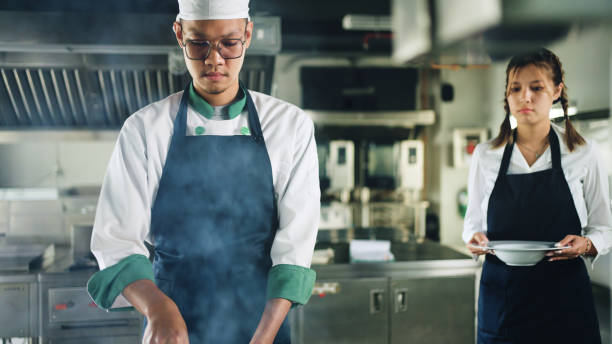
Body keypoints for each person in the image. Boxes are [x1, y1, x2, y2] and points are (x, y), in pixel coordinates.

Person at [86, 0, 320, 343]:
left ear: (248, 34)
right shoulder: (145, 129)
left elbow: (295, 247)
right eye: (199, 44)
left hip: (262, 322)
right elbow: (117, 242)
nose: (214, 59)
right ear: (180, 34)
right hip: (170, 321)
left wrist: (263, 336)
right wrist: (157, 309)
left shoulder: (289, 127)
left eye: (229, 43)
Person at [463, 48, 612, 343]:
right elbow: (472, 224)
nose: (525, 97)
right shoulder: (486, 155)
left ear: (556, 91)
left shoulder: (583, 152)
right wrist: (475, 238)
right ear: (506, 96)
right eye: (515, 89)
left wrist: (586, 244)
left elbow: (604, 228)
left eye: (536, 88)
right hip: (503, 301)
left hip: (564, 300)